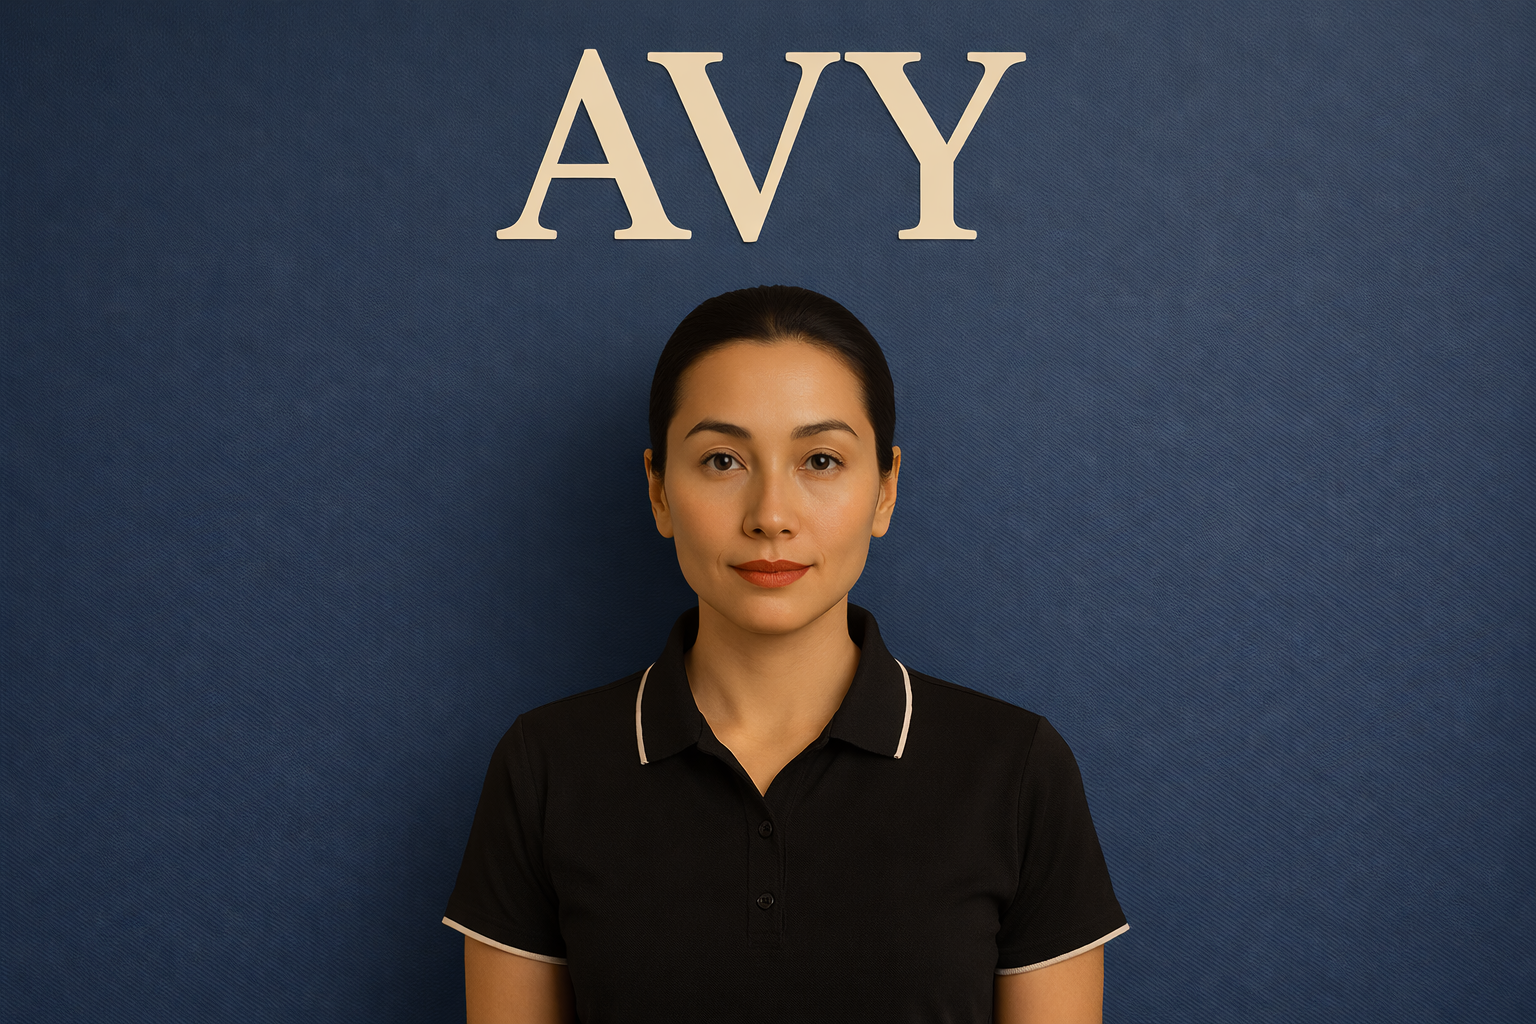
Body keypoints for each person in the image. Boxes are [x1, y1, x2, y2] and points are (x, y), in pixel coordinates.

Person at [443, 285, 1127, 1023]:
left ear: (886, 489)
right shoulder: (544, 765)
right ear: (659, 491)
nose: (771, 515)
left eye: (822, 460)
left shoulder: (1015, 767)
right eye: (722, 460)